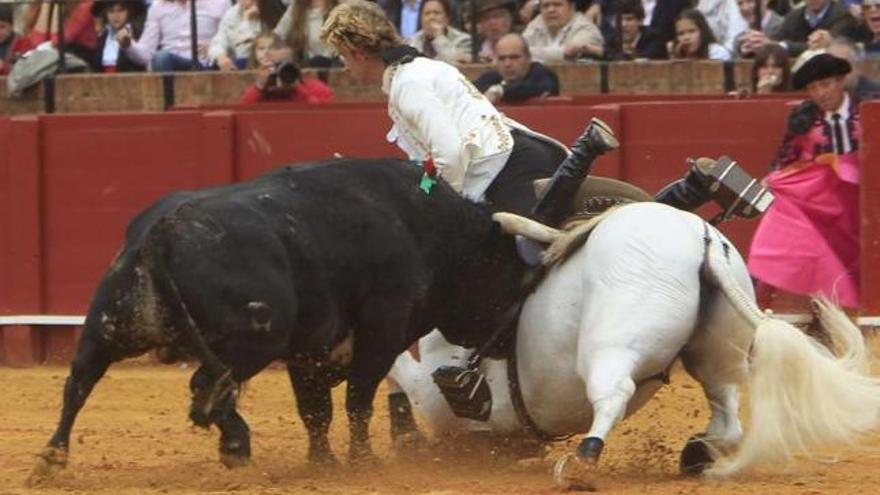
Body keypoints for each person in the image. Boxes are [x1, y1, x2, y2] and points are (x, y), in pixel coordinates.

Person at [320, 0, 617, 229]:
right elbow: (433, 165)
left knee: (524, 265)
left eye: (343, 56)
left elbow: (449, 156)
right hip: (517, 160)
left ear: (357, 52)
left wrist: (432, 207)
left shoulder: (408, 84)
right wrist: (422, 190)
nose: (344, 66)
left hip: (509, 171)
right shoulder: (416, 71)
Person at [747, 50, 861, 308]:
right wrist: (778, 178)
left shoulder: (867, 110)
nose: (820, 93)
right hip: (822, 208)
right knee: (780, 219)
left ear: (841, 81)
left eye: (825, 84)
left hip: (864, 206)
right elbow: (786, 161)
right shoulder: (804, 119)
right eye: (813, 87)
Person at [119, 0, 230, 72]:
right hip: (171, 66)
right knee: (161, 57)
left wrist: (215, 48)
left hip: (206, 66)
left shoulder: (220, 3)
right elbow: (145, 54)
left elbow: (231, 40)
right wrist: (129, 45)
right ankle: (169, 104)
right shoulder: (158, 6)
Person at [239, 31, 334, 104]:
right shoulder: (259, 92)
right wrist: (259, 87)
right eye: (274, 65)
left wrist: (297, 88)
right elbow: (241, 113)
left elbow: (324, 114)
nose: (280, 71)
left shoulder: (316, 88)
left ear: (296, 66)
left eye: (284, 65)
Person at [473, 33, 559, 104]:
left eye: (514, 57)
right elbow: (470, 91)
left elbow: (537, 88)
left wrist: (500, 91)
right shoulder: (492, 76)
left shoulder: (542, 73)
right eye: (502, 59)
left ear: (528, 58)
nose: (507, 64)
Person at [522, 0, 605, 63]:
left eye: (557, 5)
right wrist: (561, 53)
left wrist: (528, 53)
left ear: (572, 7)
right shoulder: (537, 23)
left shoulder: (586, 28)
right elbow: (517, 51)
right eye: (545, 6)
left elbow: (571, 54)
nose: (551, 10)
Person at [26, 0, 97, 64]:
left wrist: (57, 5)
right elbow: (38, 44)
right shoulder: (38, 5)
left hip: (78, 62)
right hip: (49, 62)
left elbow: (57, 42)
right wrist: (46, 4)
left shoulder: (85, 5)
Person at [274, 0, 340, 67]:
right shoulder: (296, 7)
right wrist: (286, 52)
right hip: (306, 66)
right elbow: (278, 34)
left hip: (336, 67)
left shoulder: (339, 6)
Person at [406, 0, 471, 65]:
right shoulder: (411, 41)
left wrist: (439, 38)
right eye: (427, 13)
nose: (431, 17)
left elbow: (456, 66)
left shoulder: (463, 40)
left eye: (437, 13)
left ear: (447, 19)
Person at [90, 0, 147, 73]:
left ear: (129, 12)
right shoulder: (103, 37)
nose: (116, 16)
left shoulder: (137, 34)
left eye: (121, 10)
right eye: (111, 11)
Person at [604, 0, 668, 60]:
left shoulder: (654, 39)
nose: (623, 24)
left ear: (640, 20)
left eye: (629, 19)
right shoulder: (612, 41)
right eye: (619, 19)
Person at [0, 3, 31, 75]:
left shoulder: (22, 43)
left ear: (11, 26)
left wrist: (4, 66)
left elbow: (25, 70)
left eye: (2, 27)